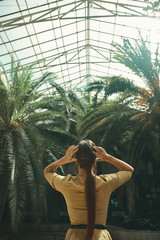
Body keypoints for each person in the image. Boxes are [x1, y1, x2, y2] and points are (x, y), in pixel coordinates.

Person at [44, 140, 134, 240]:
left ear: (75, 159)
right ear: (95, 159)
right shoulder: (106, 182)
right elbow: (128, 170)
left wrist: (64, 160)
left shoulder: (67, 183)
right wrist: (107, 157)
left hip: (75, 236)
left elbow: (47, 172)